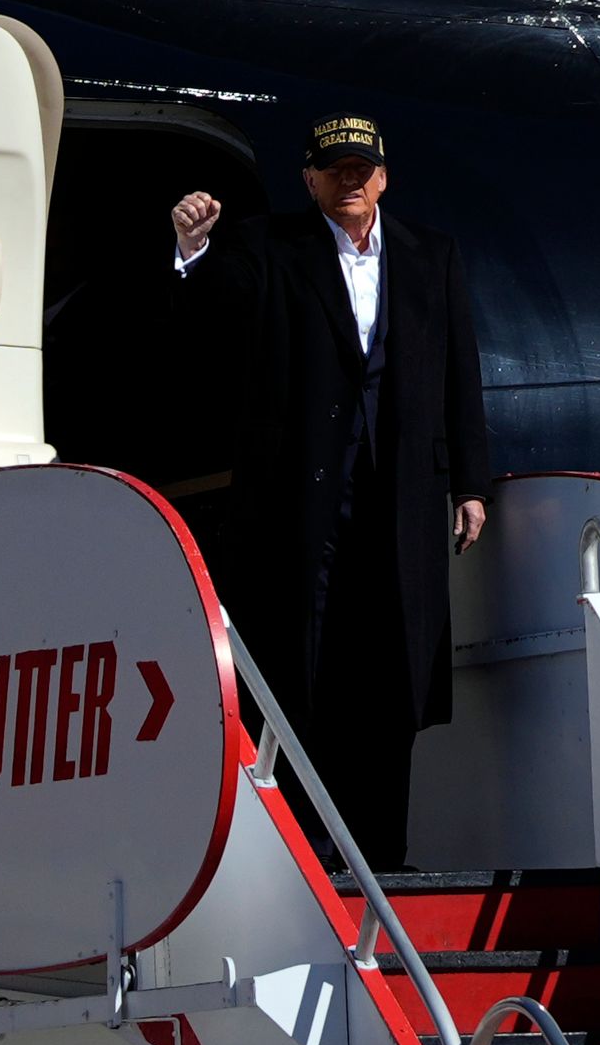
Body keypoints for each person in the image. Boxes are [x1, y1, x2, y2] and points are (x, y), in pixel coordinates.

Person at [170, 115, 490, 869]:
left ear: (383, 177)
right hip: (301, 501)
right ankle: (302, 851)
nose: (350, 180)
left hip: (401, 495)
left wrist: (471, 482)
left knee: (392, 673)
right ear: (308, 179)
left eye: (362, 168)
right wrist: (193, 249)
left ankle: (383, 853)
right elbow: (220, 311)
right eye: (334, 169)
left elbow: (458, 374)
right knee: (302, 665)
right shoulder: (270, 246)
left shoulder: (429, 256)